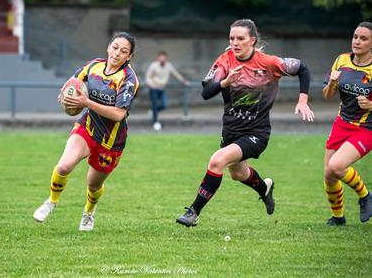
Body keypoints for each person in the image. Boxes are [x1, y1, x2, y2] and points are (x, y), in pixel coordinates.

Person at [176, 19, 315, 227]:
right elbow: (205, 93)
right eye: (232, 38)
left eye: (240, 38)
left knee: (217, 160)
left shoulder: (268, 62)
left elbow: (302, 69)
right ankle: (264, 188)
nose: (235, 42)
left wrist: (303, 99)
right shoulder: (224, 61)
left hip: (257, 132)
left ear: (252, 40)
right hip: (231, 130)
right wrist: (225, 82)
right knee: (238, 174)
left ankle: (193, 212)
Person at [33, 32, 139, 231]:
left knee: (93, 185)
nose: (117, 53)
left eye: (123, 51)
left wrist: (86, 102)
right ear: (108, 47)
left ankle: (89, 213)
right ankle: (51, 202)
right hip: (87, 127)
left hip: (111, 140)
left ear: (129, 57)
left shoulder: (129, 79)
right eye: (115, 47)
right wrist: (65, 94)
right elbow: (74, 81)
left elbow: (118, 114)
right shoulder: (93, 66)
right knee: (64, 166)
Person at [322, 21, 372, 226]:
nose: (357, 41)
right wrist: (333, 82)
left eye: (364, 38)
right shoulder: (342, 60)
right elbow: (327, 96)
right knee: (329, 174)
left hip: (366, 128)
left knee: (336, 166)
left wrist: (371, 105)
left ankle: (365, 196)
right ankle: (338, 218)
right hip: (341, 123)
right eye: (355, 37)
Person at [145, 51, 190, 130]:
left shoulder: (168, 66)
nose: (162, 59)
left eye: (164, 57)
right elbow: (148, 76)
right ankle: (155, 122)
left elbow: (175, 74)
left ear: (166, 58)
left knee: (164, 104)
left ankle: (152, 111)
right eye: (161, 57)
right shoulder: (153, 65)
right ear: (158, 58)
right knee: (155, 104)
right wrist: (151, 84)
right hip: (154, 89)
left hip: (162, 89)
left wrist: (183, 81)